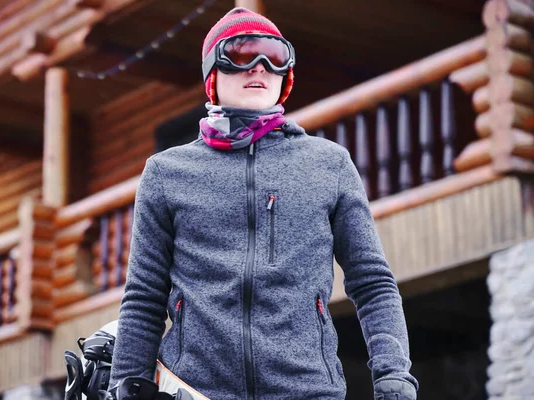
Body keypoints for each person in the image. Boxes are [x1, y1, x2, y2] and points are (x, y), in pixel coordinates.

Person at [109, 7, 419, 400]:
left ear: (284, 76)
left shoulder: (329, 164)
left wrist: (394, 373)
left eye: (273, 58)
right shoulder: (166, 173)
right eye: (240, 55)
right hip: (193, 391)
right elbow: (144, 296)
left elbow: (373, 283)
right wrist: (126, 384)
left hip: (307, 391)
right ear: (212, 76)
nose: (258, 68)